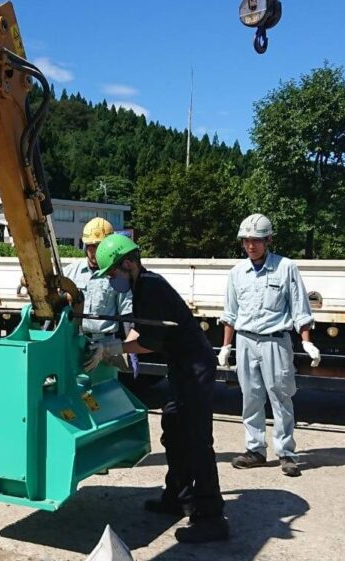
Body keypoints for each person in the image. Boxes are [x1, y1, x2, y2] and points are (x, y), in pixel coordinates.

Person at [84, 234, 228, 544]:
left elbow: (150, 341)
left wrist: (113, 349)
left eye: (112, 272)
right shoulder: (142, 286)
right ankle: (177, 496)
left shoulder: (151, 287)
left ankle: (212, 517)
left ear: (128, 263)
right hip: (182, 366)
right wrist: (114, 345)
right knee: (173, 427)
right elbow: (142, 329)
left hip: (195, 368)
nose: (110, 279)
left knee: (197, 440)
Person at [217, 213, 321, 477]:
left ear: (268, 241)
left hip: (275, 341)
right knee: (251, 397)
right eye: (246, 241)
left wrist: (307, 342)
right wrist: (226, 346)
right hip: (245, 340)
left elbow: (300, 309)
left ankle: (286, 453)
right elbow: (230, 313)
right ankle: (255, 450)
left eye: (256, 240)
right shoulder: (237, 273)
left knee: (280, 396)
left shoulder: (286, 268)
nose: (251, 246)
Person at [62, 217, 132, 370]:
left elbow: (128, 317)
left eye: (100, 246)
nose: (95, 251)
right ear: (85, 246)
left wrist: (131, 352)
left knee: (104, 384)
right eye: (91, 246)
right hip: (74, 341)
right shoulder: (69, 272)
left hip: (106, 348)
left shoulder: (119, 276)